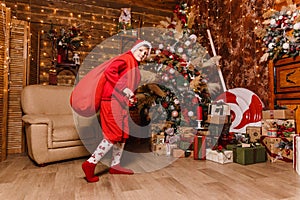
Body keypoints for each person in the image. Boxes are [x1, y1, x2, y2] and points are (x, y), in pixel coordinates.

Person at [71, 40, 152, 183]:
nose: (143, 54)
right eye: (141, 50)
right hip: (110, 101)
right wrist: (124, 88)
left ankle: (115, 165)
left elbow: (127, 89)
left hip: (121, 104)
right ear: (134, 49)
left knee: (122, 135)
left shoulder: (135, 69)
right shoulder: (126, 59)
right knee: (113, 135)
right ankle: (90, 163)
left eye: (146, 53)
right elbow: (111, 71)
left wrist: (130, 98)